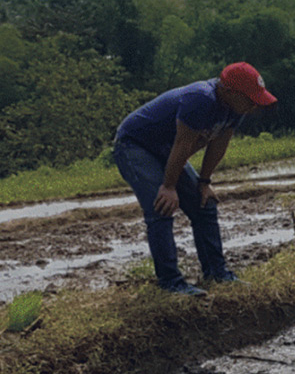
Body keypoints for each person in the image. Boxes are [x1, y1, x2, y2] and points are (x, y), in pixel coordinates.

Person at [111, 62, 276, 295]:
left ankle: (217, 275)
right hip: (135, 146)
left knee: (204, 204)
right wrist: (168, 186)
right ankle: (170, 283)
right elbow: (183, 144)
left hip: (167, 149)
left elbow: (219, 143)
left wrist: (204, 183)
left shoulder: (235, 109)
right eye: (250, 99)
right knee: (162, 208)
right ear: (229, 91)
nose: (253, 106)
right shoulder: (201, 99)